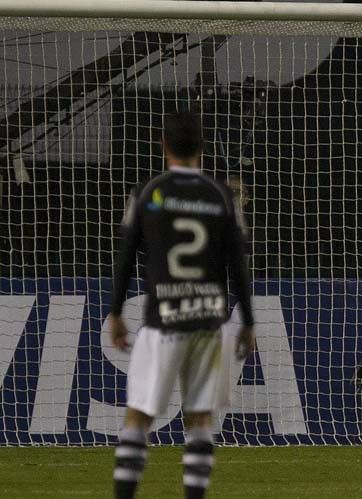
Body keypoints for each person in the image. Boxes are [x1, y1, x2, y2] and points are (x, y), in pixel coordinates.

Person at [107, 110, 255, 499]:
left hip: (163, 321)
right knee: (200, 422)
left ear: (163, 146)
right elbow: (238, 262)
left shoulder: (148, 193)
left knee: (138, 417)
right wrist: (249, 320)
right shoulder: (221, 194)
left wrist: (116, 312)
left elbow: (125, 257)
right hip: (210, 321)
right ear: (202, 150)